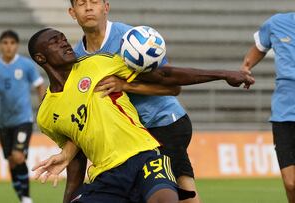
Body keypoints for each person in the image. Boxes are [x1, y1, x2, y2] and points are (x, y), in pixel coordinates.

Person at [29, 28, 253, 203]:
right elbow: (76, 163)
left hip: (146, 157)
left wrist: (224, 74)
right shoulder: (47, 115)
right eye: (54, 41)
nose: (64, 42)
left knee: (165, 199)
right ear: (41, 57)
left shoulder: (99, 63)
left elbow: (164, 75)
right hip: (106, 176)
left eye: (63, 38)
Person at [0, 30, 45, 203]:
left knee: (18, 156)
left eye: (12, 43)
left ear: (17, 45)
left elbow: (39, 85)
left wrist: (43, 107)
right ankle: (22, 196)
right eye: (5, 43)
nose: (8, 47)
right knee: (12, 162)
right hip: (4, 122)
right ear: (0, 45)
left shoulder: (26, 65)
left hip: (23, 119)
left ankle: (27, 198)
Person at [241, 12, 295, 203]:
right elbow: (259, 47)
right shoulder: (276, 23)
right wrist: (246, 68)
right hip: (284, 114)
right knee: (291, 184)